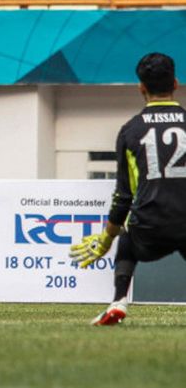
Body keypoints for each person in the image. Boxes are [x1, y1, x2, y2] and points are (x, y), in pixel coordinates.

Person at [70, 52, 186, 326]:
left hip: (151, 224)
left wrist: (107, 238)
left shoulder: (130, 131)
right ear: (176, 84)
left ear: (141, 88)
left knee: (127, 242)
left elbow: (124, 195)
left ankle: (119, 301)